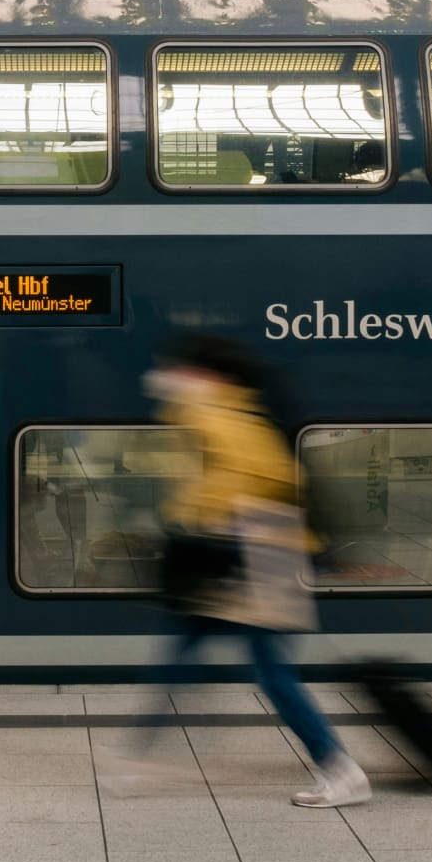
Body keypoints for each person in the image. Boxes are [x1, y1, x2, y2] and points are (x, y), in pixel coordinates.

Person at [134, 334, 370, 809]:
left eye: (183, 369)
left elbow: (257, 481)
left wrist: (197, 520)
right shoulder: (230, 413)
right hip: (252, 554)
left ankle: (340, 769)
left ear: (213, 377)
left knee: (270, 673)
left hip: (260, 558)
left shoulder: (217, 415)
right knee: (185, 646)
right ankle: (140, 755)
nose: (171, 377)